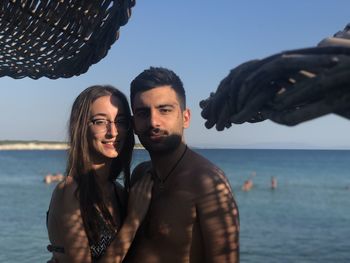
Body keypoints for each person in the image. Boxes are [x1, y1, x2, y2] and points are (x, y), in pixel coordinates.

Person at [124, 67, 240, 262]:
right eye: (143, 113)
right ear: (134, 124)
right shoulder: (140, 175)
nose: (154, 122)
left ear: (185, 118)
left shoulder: (207, 183)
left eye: (164, 110)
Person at [47, 85, 153, 263]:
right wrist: (133, 220)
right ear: (82, 127)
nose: (113, 132)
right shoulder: (70, 192)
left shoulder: (118, 192)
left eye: (120, 121)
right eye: (100, 121)